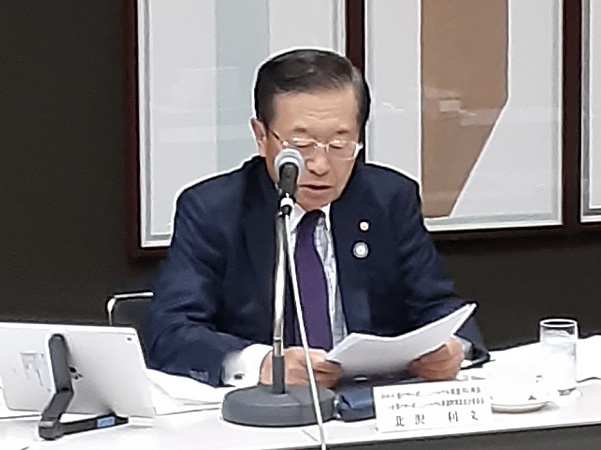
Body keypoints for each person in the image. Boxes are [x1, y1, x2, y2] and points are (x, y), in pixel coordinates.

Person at [146, 48, 488, 388]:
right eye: (301, 145)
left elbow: (438, 305)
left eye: (340, 145)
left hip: (371, 402)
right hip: (265, 411)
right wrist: (263, 364)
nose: (321, 166)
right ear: (261, 137)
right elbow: (170, 331)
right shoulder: (213, 210)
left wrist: (453, 348)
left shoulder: (389, 199)